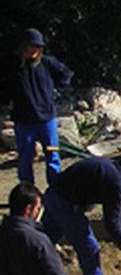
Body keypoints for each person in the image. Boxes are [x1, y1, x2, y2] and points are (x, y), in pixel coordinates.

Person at [3, 28, 73, 185]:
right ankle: (27, 192)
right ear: (23, 46)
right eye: (31, 45)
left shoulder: (47, 63)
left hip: (47, 120)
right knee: (25, 158)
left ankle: (55, 190)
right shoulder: (13, 66)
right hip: (24, 122)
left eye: (37, 46)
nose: (34, 50)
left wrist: (57, 92)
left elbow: (66, 74)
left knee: (53, 156)